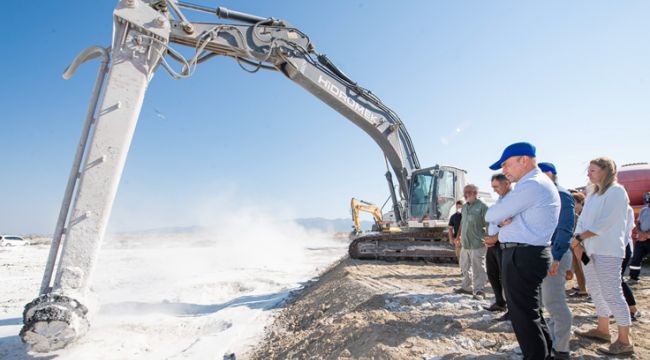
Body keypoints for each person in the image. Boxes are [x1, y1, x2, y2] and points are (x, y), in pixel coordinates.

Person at [484, 142, 560, 360]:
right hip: (528, 253)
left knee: (523, 316)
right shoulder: (535, 185)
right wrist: (505, 218)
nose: (504, 171)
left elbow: (491, 216)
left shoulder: (531, 185)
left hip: (523, 255)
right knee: (531, 313)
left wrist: (504, 217)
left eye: (506, 165)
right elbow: (500, 217)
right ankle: (545, 355)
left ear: (523, 160)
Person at [572, 157, 633, 355]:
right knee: (597, 291)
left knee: (612, 294)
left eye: (593, 170)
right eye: (588, 170)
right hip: (589, 250)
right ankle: (602, 329)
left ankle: (625, 341)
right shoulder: (592, 195)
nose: (588, 174)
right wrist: (577, 241)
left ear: (606, 170)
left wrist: (579, 237)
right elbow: (582, 221)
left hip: (607, 250)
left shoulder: (616, 191)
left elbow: (604, 222)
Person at [538, 162, 574, 360]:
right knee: (548, 301)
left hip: (555, 254)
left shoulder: (560, 195)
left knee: (555, 303)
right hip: (550, 253)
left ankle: (561, 351)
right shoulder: (549, 194)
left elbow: (565, 228)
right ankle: (554, 343)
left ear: (549, 175)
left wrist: (557, 257)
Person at [482, 174, 511, 317]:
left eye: (496, 187)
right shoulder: (500, 201)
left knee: (507, 277)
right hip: (493, 243)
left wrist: (494, 238)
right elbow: (493, 220)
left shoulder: (513, 200)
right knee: (492, 274)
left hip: (504, 243)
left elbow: (510, 223)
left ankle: (512, 309)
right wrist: (489, 238)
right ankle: (500, 302)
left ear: (506, 183)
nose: (494, 190)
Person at [454, 184, 489, 300]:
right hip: (465, 243)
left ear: (475, 193)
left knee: (478, 268)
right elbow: (462, 223)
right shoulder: (464, 207)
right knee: (464, 266)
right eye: (464, 192)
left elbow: (488, 224)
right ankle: (467, 287)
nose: (465, 195)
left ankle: (479, 291)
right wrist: (458, 236)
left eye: (467, 192)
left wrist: (488, 238)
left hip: (477, 243)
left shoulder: (483, 206)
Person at [568, 192, 588, 297]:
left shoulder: (584, 215)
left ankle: (592, 292)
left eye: (574, 202)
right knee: (577, 268)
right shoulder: (573, 214)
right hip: (573, 244)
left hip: (582, 245)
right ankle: (582, 289)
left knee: (585, 267)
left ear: (581, 202)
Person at [622, 205, 640, 321]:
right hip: (620, 246)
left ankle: (633, 309)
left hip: (623, 246)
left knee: (618, 279)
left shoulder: (625, 208)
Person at [628, 193, 650, 282]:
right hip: (640, 239)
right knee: (636, 259)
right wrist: (639, 233)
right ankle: (633, 277)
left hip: (646, 238)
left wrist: (644, 234)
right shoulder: (644, 210)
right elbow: (638, 223)